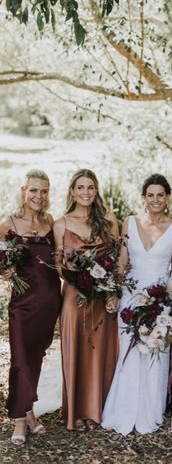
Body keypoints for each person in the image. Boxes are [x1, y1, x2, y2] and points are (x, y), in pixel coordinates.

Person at [101, 174, 172, 435]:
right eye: (151, 195)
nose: (156, 200)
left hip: (160, 300)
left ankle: (150, 412)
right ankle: (123, 410)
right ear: (144, 197)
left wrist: (170, 307)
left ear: (168, 197)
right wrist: (113, 292)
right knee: (129, 353)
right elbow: (123, 261)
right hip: (130, 296)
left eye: (161, 195)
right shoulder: (130, 222)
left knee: (154, 353)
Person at [53, 169, 119, 431]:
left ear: (96, 189)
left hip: (102, 297)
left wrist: (111, 290)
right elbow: (58, 264)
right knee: (76, 349)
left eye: (90, 187)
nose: (86, 192)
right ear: (72, 191)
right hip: (74, 295)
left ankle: (99, 409)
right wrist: (77, 282)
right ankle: (76, 412)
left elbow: (116, 260)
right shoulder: (61, 224)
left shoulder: (108, 220)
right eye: (80, 187)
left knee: (101, 351)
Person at [0, 169, 62, 445]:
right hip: (22, 305)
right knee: (20, 360)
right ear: (24, 190)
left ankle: (30, 413)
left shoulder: (51, 222)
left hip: (50, 301)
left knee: (35, 358)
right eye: (34, 190)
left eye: (44, 191)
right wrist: (5, 271)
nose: (39, 196)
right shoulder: (8, 223)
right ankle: (19, 421)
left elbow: (60, 262)